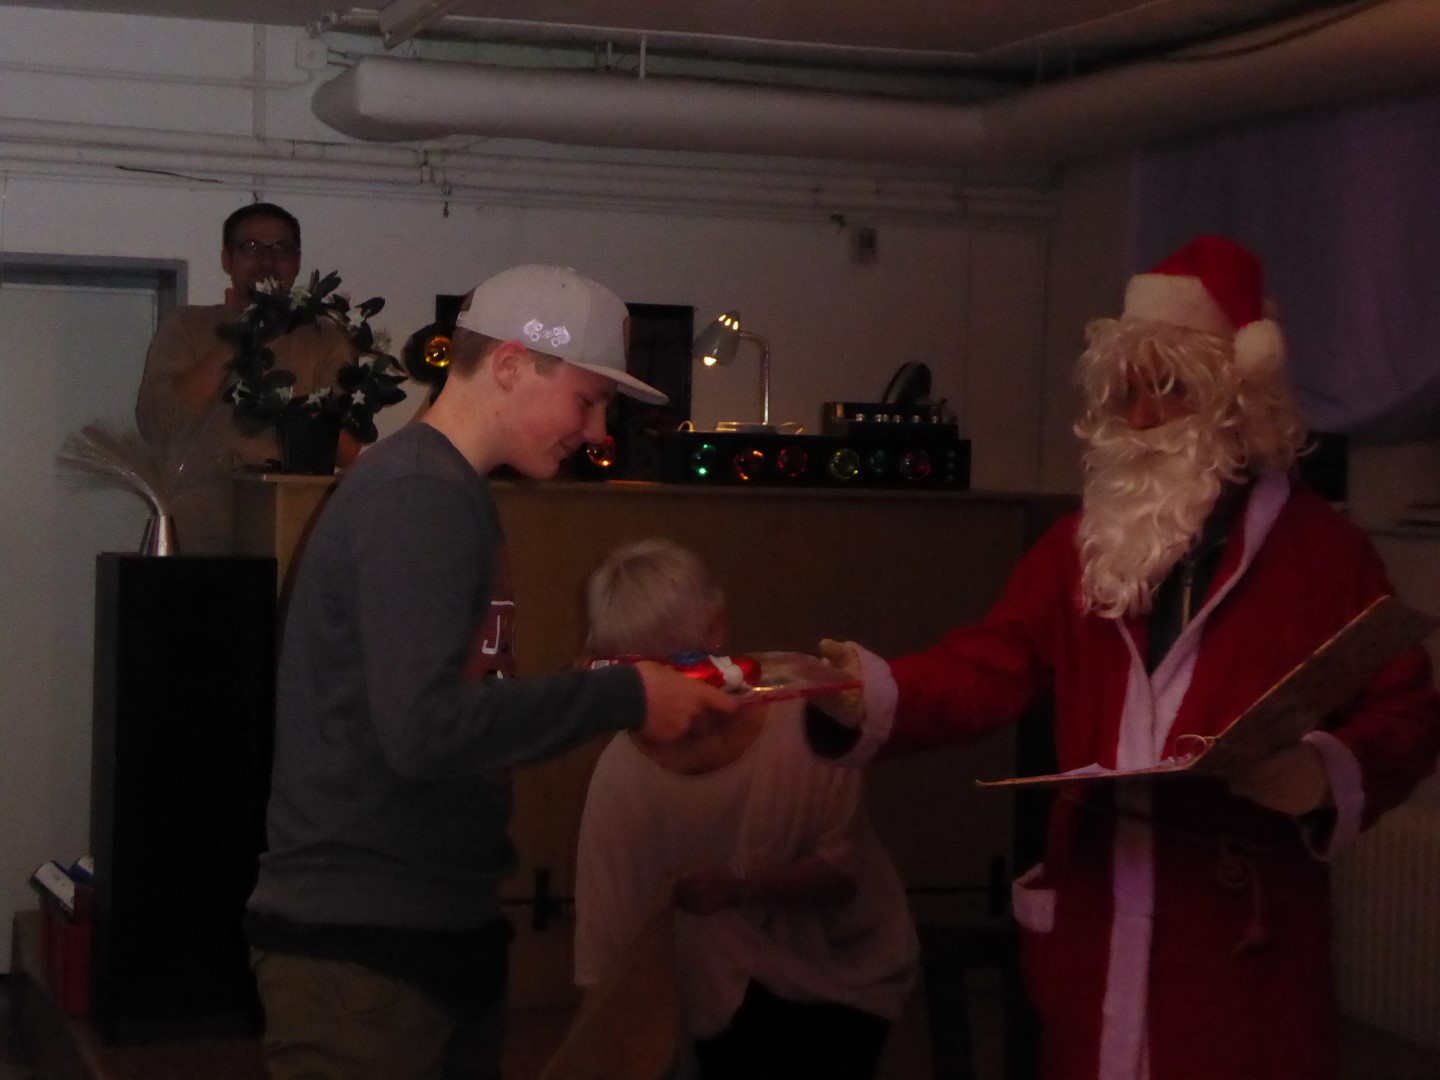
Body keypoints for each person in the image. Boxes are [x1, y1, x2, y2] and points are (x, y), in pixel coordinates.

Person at [812, 235, 1440, 1080]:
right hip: (1098, 910)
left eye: (1170, 389)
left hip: (1235, 933)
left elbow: (1408, 709)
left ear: (1237, 399)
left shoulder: (1324, 556)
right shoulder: (1080, 549)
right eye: (1126, 393)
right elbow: (990, 664)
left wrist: (1326, 770)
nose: (1142, 420)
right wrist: (870, 693)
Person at [243, 265, 740, 1080]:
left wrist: (591, 688)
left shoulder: (440, 489)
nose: (596, 431)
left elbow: (443, 711)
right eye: (587, 400)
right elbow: (424, 730)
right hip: (367, 956)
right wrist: (623, 694)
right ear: (510, 364)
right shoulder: (419, 496)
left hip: (422, 936)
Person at [573, 539, 918, 1080]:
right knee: (700, 945)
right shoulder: (622, 775)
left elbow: (843, 877)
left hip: (844, 974)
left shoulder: (805, 716)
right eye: (632, 680)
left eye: (669, 670)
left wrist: (740, 886)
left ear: (715, 633)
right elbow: (605, 953)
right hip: (712, 1000)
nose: (655, 698)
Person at [134, 202, 354, 551]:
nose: (267, 260)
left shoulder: (326, 338)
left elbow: (347, 450)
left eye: (281, 249)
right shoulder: (186, 325)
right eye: (251, 248)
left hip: (292, 535)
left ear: (297, 262)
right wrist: (233, 342)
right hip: (197, 530)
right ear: (228, 259)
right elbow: (156, 423)